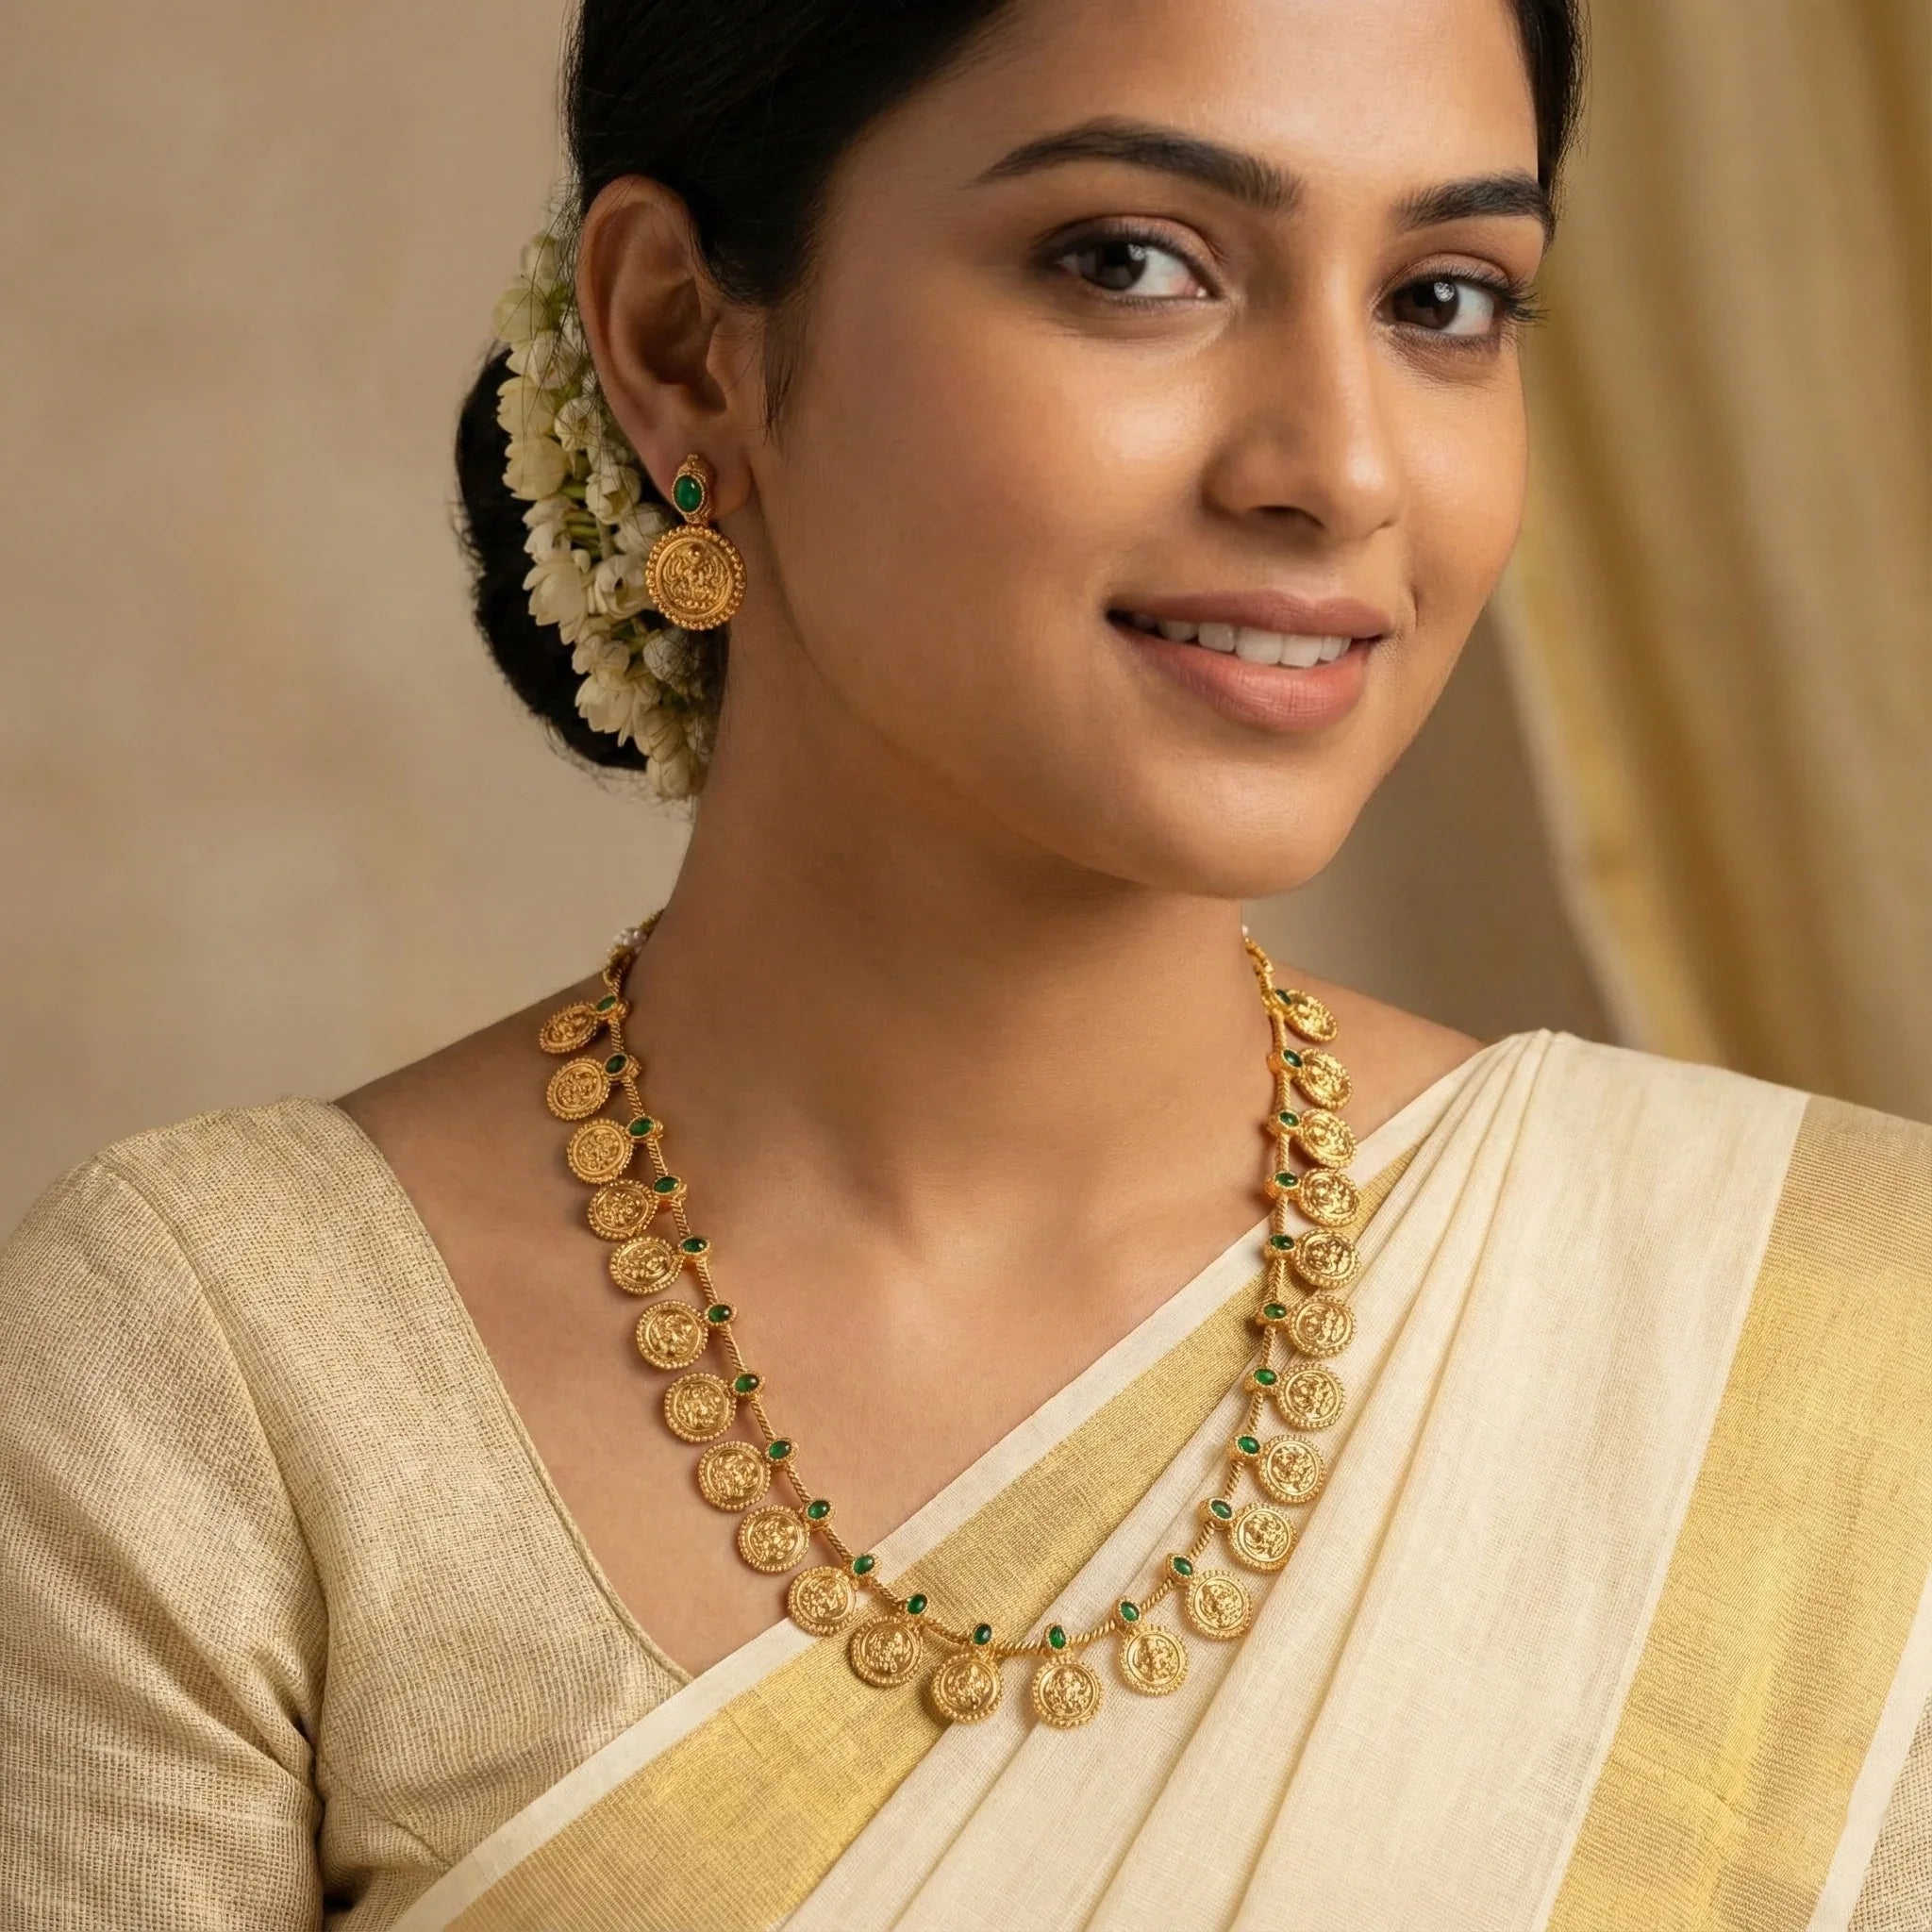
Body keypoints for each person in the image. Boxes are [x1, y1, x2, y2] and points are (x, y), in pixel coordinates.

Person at [3, 0, 1927, 1925]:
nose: (1339, 470)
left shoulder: (1845, 1330)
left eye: (1441, 299)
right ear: (682, 344)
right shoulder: (228, 1379)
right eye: (1131, 263)